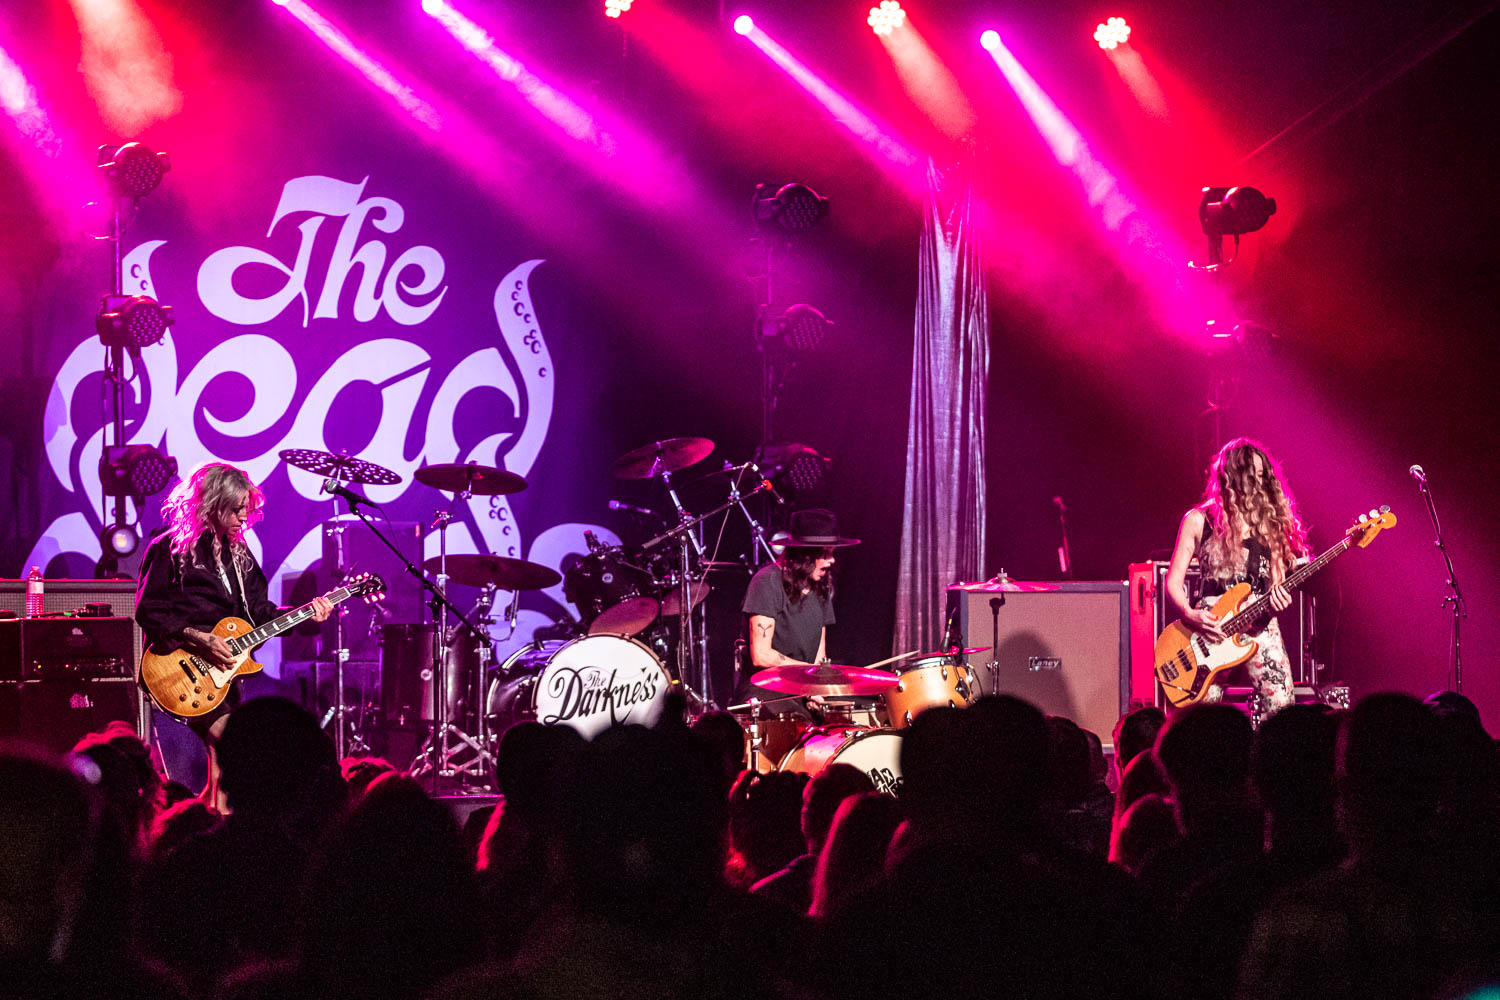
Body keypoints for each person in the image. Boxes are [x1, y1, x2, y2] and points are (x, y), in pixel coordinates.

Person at [135, 461, 332, 805]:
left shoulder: (239, 556)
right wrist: (199, 638)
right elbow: (147, 610)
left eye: (247, 510)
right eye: (238, 509)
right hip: (180, 670)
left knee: (219, 776)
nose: (245, 517)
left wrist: (307, 614)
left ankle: (208, 836)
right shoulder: (167, 549)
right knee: (230, 755)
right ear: (213, 503)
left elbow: (261, 616)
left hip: (223, 678)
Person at [1164, 438, 1307, 725]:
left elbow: (1276, 583)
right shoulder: (1198, 520)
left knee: (1281, 710)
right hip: (1210, 629)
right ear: (1230, 476)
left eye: (1261, 475)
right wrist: (1190, 614)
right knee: (1201, 718)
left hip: (1260, 627)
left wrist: (1278, 601)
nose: (1257, 482)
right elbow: (1172, 581)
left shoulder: (1273, 524)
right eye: (1249, 475)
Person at [736, 508, 859, 712]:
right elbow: (762, 655)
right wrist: (808, 673)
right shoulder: (767, 582)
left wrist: (818, 688)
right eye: (825, 554)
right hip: (766, 694)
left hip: (801, 691)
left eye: (833, 553)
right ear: (805, 555)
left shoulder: (822, 588)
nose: (832, 560)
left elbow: (819, 655)